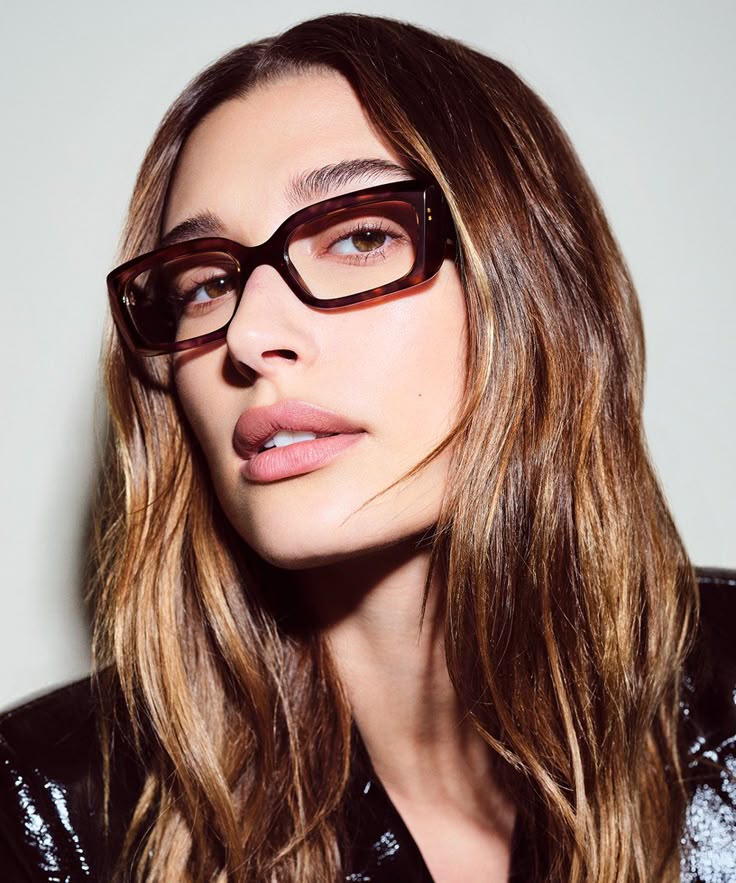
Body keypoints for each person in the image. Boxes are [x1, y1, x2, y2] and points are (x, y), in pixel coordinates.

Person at [0, 13, 734, 883]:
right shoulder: (43, 811)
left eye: (360, 237)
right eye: (205, 283)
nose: (249, 335)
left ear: (532, 290)